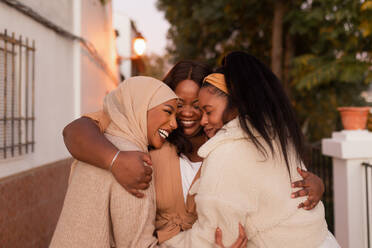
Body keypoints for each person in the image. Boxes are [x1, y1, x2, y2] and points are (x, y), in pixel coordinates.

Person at [62, 61, 325, 247]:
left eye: (198, 106)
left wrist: (313, 184)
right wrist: (115, 160)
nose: (186, 113)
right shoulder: (148, 135)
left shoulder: (231, 147)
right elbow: (76, 130)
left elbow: (267, 184)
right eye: (176, 104)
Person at [163, 51, 340, 247]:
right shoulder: (272, 135)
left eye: (206, 109)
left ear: (235, 103)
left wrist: (167, 243)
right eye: (178, 104)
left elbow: (217, 237)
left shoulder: (225, 154)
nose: (198, 117)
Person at [50, 76, 179, 248]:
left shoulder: (96, 146)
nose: (175, 124)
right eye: (168, 111)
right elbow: (138, 244)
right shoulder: (135, 162)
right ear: (140, 107)